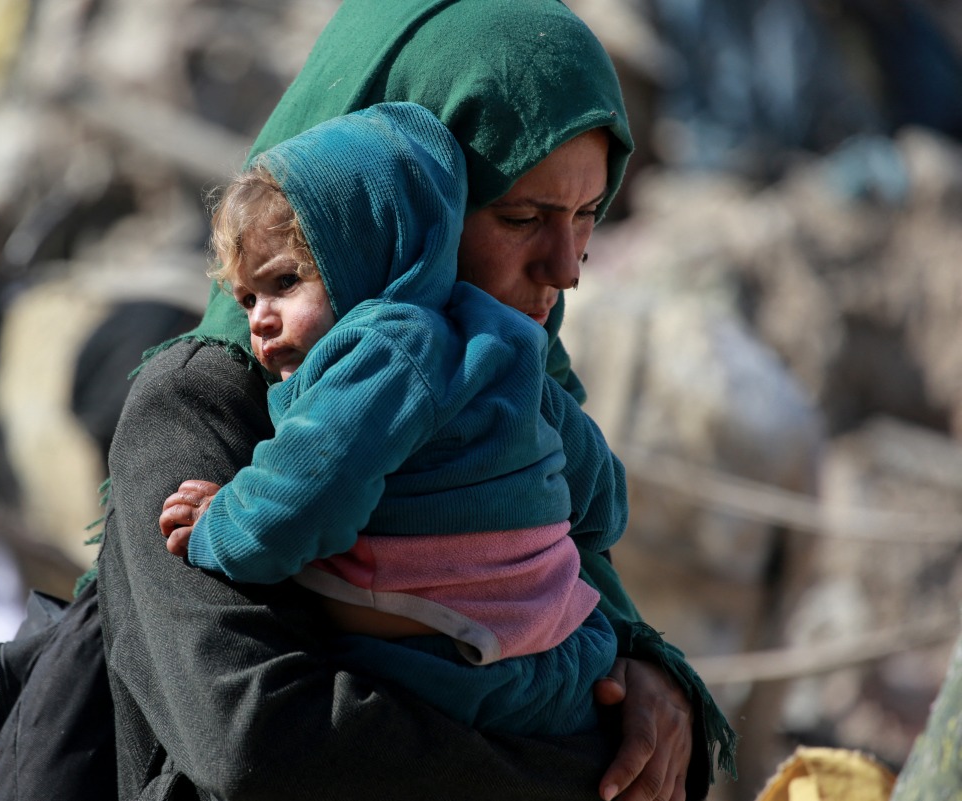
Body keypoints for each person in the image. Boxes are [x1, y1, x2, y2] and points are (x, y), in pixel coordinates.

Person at [94, 2, 737, 800]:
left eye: (586, 218)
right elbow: (262, 740)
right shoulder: (199, 407)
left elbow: (580, 571)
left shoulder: (513, 379)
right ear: (407, 207)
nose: (567, 268)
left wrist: (651, 683)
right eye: (523, 216)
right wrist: (582, 757)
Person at [161, 102, 624, 739]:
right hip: (568, 651)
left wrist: (219, 523)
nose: (259, 321)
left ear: (367, 253)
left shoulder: (384, 350)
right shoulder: (503, 342)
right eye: (246, 300)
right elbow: (603, 503)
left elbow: (297, 509)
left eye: (286, 282)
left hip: (459, 669)